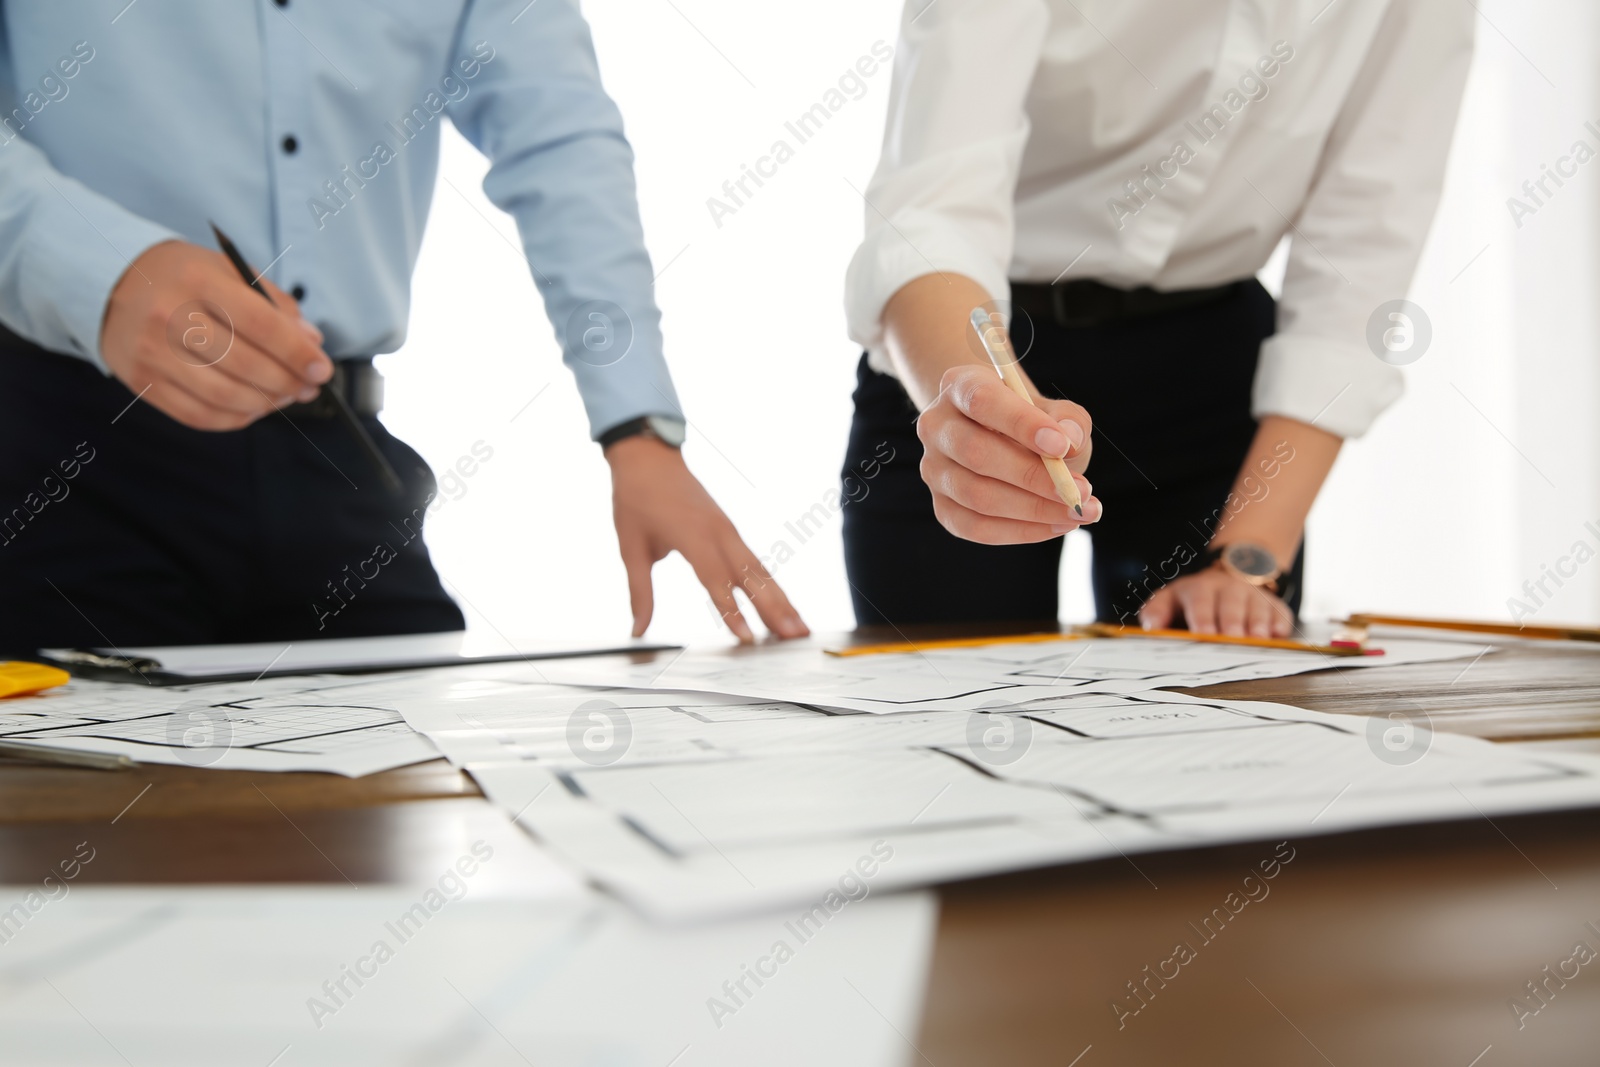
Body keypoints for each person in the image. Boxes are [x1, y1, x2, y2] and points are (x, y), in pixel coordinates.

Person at [0, 2, 807, 655]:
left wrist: (637, 429)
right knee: (82, 824)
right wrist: (97, 272)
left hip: (335, 454)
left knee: (407, 810)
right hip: (61, 456)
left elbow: (557, 137)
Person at [840, 0, 1471, 637]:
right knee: (945, 704)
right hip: (962, 348)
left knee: (1219, 713)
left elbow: (1360, 259)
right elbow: (933, 211)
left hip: (1218, 378)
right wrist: (969, 399)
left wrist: (1243, 564)